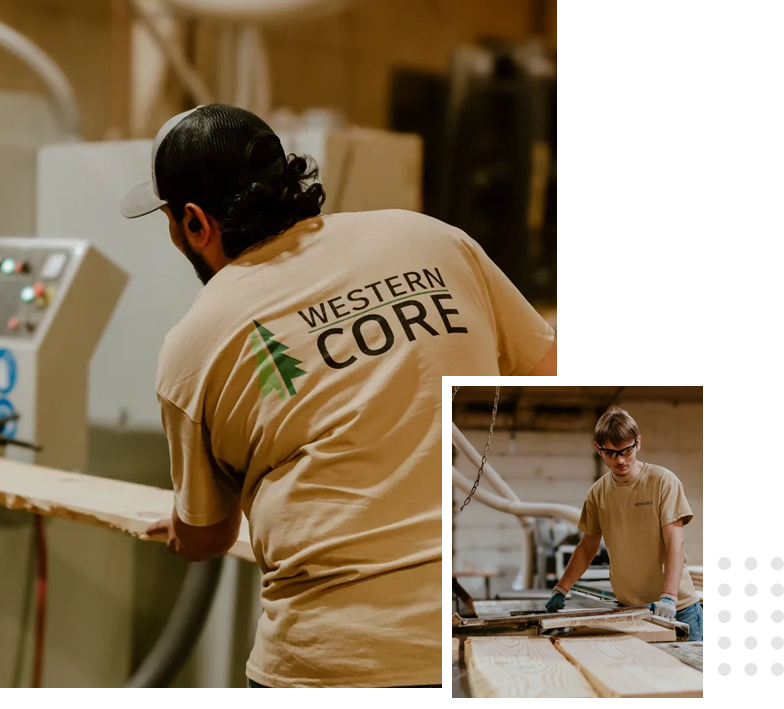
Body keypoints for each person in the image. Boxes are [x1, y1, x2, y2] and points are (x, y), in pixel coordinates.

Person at [123, 103, 557, 689]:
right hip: (475, 651)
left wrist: (181, 528)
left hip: (327, 662)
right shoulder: (429, 237)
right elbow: (544, 369)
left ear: (194, 223)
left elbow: (208, 536)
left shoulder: (195, 342)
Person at [545, 407, 702, 641]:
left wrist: (669, 596)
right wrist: (562, 588)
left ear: (637, 443)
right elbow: (587, 547)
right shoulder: (598, 493)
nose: (619, 460)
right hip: (630, 610)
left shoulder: (663, 482)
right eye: (611, 453)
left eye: (626, 451)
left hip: (677, 609)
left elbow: (675, 544)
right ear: (598, 449)